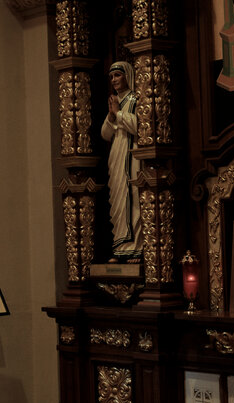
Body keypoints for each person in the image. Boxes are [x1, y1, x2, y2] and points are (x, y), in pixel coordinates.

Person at [101, 61, 143, 263]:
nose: (114, 80)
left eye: (117, 75)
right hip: (117, 156)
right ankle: (120, 247)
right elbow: (105, 134)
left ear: (128, 76)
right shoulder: (115, 101)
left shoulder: (135, 99)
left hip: (131, 156)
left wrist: (118, 113)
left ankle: (136, 247)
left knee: (132, 199)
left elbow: (139, 126)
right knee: (118, 199)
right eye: (111, 77)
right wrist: (111, 116)